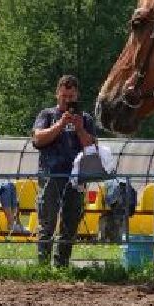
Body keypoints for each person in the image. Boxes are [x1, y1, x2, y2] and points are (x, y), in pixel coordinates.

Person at [33, 74, 95, 267]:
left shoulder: (85, 119)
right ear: (57, 95)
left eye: (71, 97)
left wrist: (79, 129)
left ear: (77, 96)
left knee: (70, 222)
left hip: (76, 176)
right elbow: (37, 139)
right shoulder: (47, 115)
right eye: (64, 97)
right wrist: (60, 124)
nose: (68, 101)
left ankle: (62, 266)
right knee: (47, 222)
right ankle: (42, 266)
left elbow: (91, 147)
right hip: (51, 174)